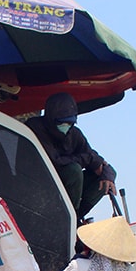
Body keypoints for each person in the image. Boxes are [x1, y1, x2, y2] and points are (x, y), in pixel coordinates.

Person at [26, 92, 117, 222]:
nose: (66, 127)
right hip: (40, 185)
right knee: (74, 170)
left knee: (106, 175)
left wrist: (107, 174)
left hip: (67, 191)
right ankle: (69, 218)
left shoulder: (74, 134)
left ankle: (76, 216)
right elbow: (54, 161)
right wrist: (89, 159)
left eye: (70, 123)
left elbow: (95, 158)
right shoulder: (35, 127)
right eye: (62, 123)